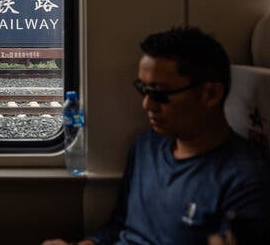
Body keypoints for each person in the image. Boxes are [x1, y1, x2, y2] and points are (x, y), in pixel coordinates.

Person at [42, 27, 269, 245]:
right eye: (143, 90)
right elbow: (120, 226)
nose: (147, 104)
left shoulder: (245, 180)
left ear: (210, 94)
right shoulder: (146, 147)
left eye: (159, 93)